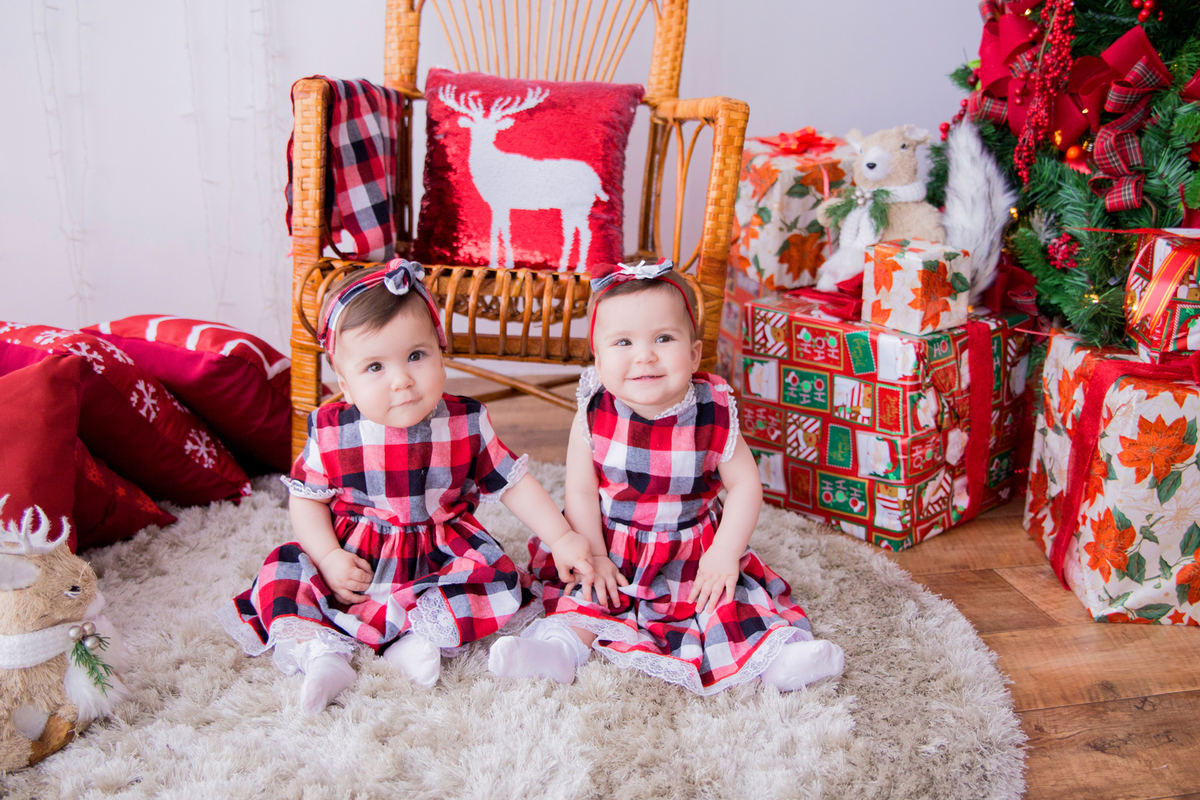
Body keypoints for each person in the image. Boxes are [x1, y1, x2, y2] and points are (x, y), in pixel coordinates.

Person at [217, 259, 593, 712]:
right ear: (346, 384)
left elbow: (512, 483)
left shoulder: (465, 421)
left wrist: (561, 536)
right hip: (357, 557)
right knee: (286, 572)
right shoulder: (332, 430)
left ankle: (415, 641)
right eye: (375, 367)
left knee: (492, 580)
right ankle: (321, 655)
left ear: (441, 351)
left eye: (417, 356)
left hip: (441, 552)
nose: (402, 380)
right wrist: (329, 556)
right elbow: (306, 502)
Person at [488, 260, 844, 694]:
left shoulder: (711, 411)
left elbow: (746, 484)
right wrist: (596, 556)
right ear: (598, 361)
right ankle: (558, 650)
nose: (645, 355)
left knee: (723, 601)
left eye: (664, 338)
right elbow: (580, 489)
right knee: (589, 595)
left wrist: (725, 551)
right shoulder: (595, 411)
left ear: (693, 354)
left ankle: (777, 655)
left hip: (692, 550)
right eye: (623, 342)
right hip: (613, 545)